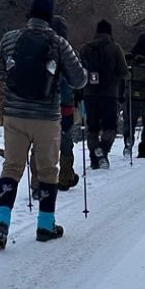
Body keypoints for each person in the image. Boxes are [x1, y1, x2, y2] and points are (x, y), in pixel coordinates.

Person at [0, 0, 87, 247]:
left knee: (12, 169)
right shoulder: (59, 42)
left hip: (14, 115)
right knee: (47, 171)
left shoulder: (10, 38)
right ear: (50, 18)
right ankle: (45, 224)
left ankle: (0, 225)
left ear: (29, 15)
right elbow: (78, 80)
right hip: (46, 118)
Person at [79, 19, 129, 169]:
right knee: (110, 127)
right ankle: (103, 148)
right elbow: (123, 72)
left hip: (89, 94)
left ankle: (95, 159)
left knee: (92, 127)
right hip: (109, 94)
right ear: (110, 32)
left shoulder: (85, 48)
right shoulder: (115, 48)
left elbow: (79, 71)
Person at [51, 16, 81, 190]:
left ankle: (39, 181)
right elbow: (76, 79)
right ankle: (65, 176)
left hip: (42, 105)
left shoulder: (41, 49)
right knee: (65, 139)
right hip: (65, 105)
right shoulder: (68, 51)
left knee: (43, 142)